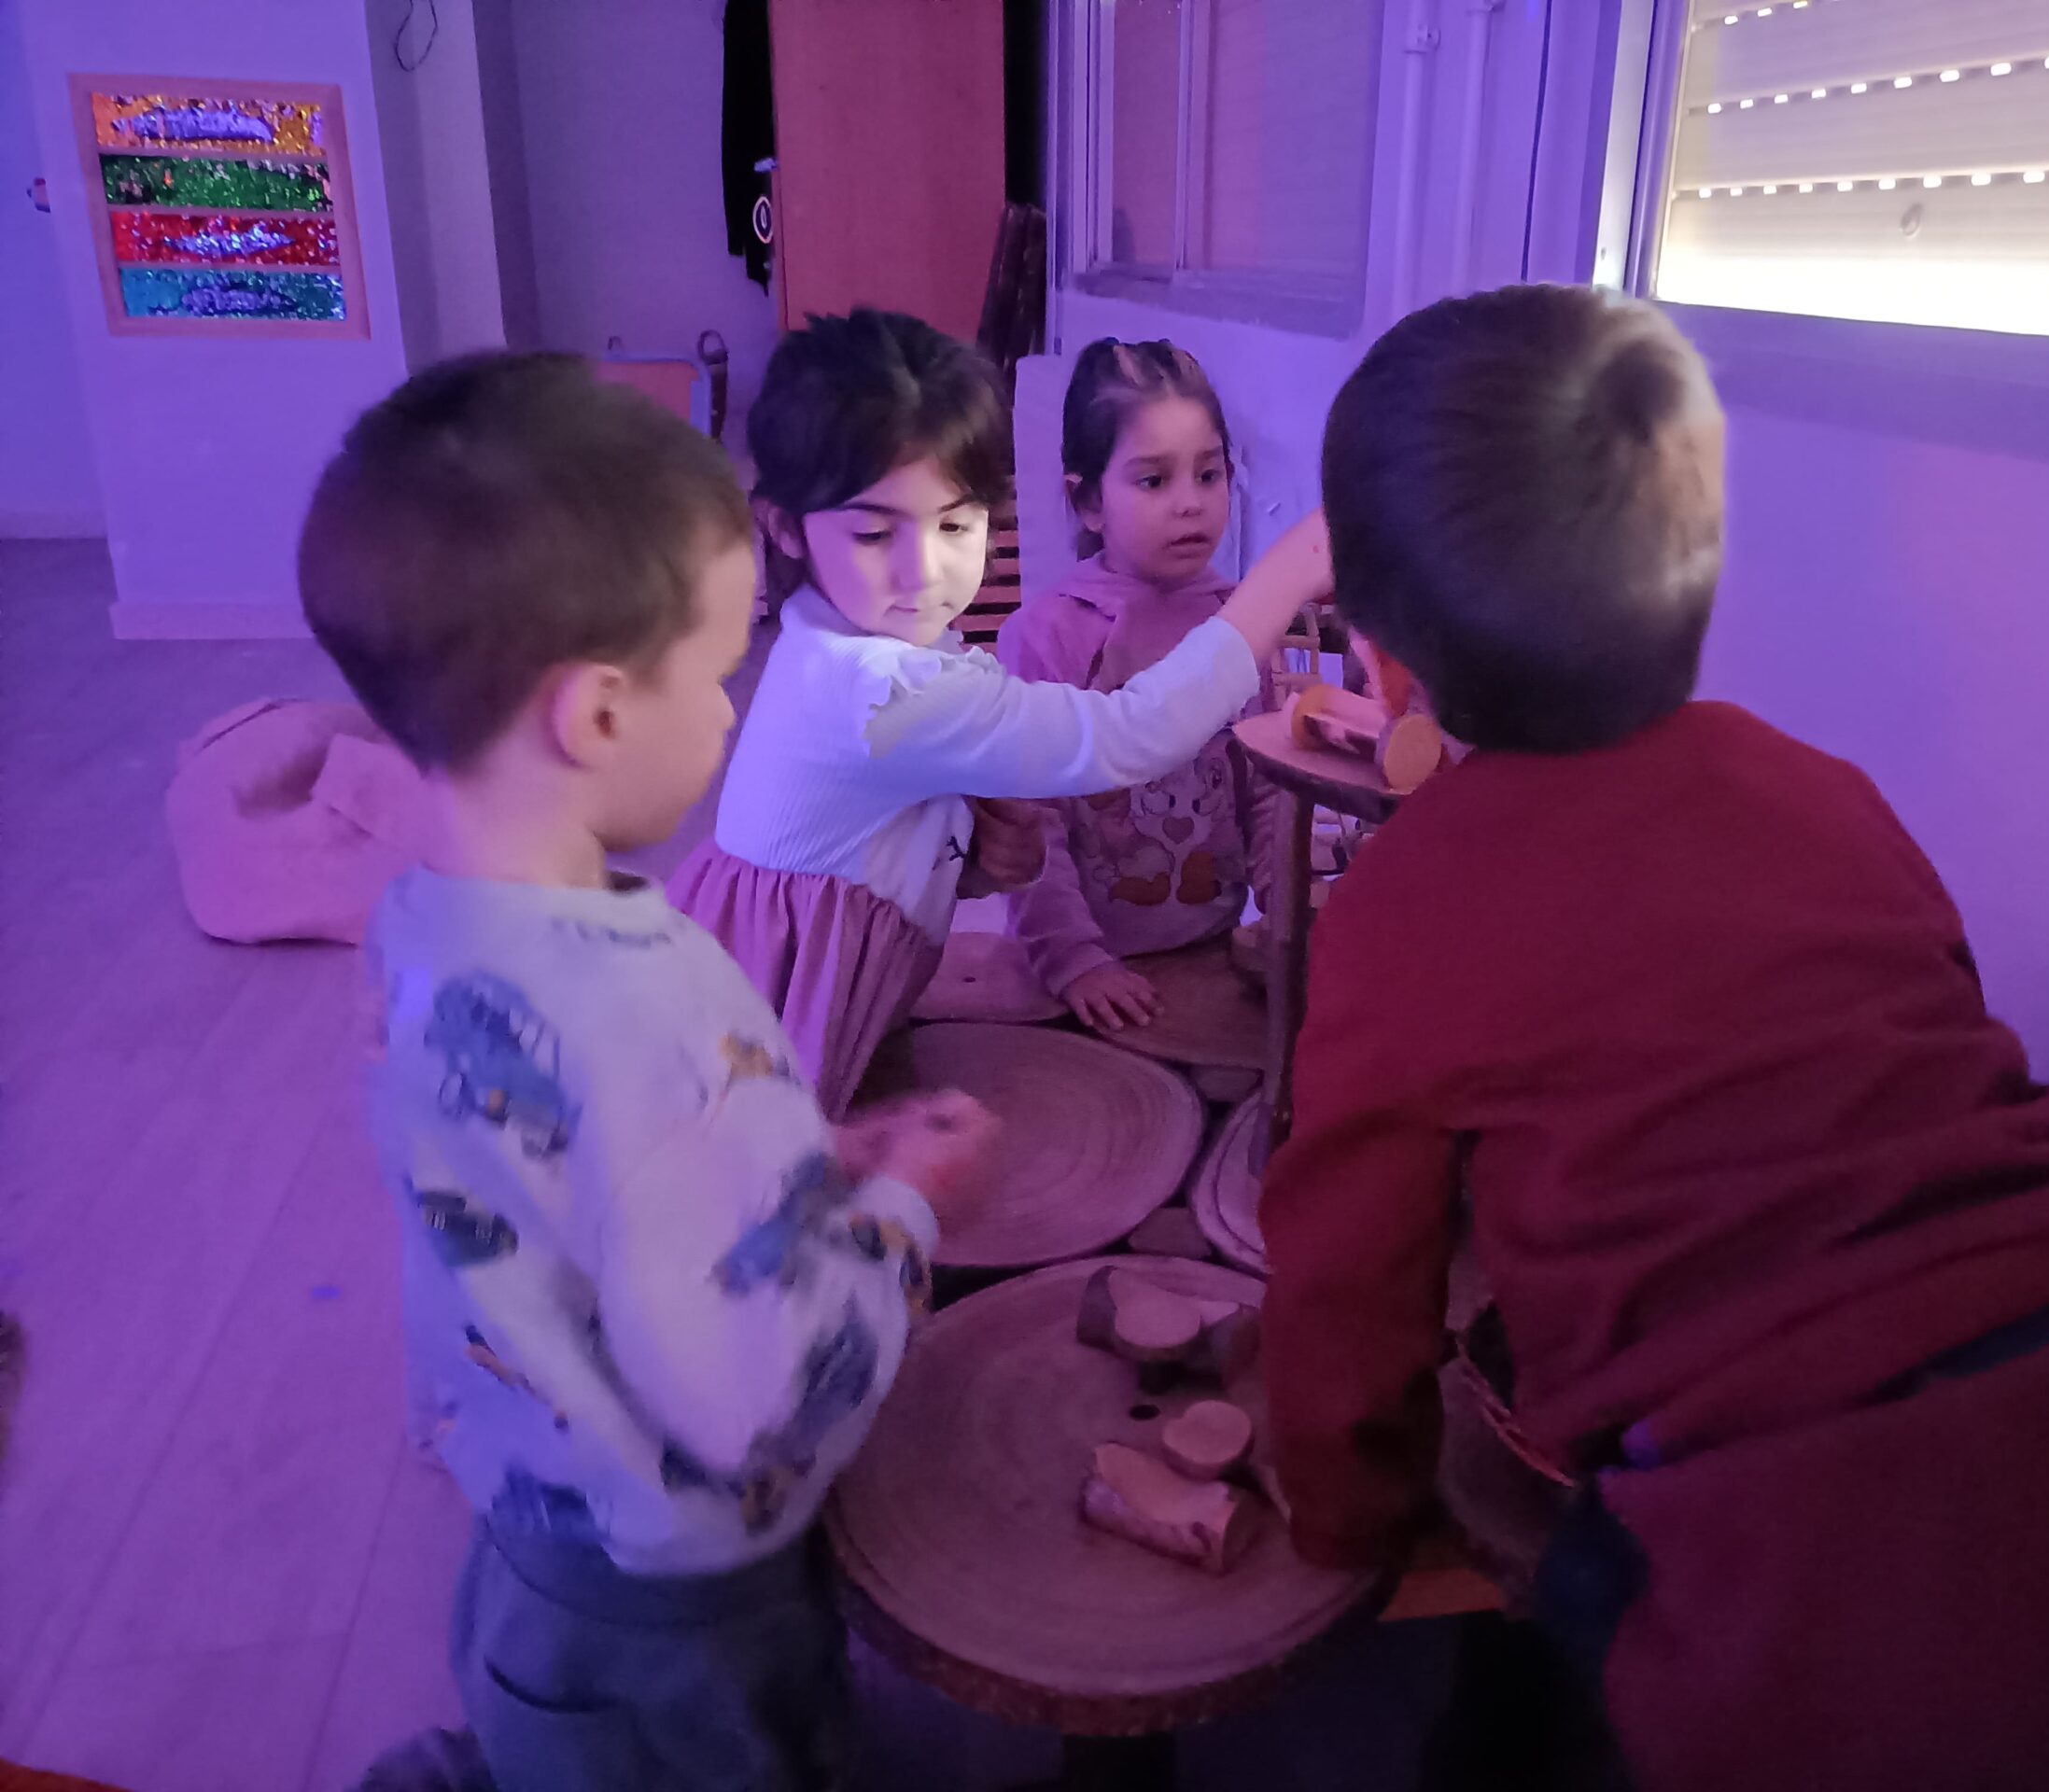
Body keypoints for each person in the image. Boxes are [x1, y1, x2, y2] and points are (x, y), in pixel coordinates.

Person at [1259, 285, 2049, 1791]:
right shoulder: (1825, 789)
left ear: (1381, 662)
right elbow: (1918, 1047)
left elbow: (1345, 1288)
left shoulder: (1406, 896)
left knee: (1529, 1702)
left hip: (1827, 1603)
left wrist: (1348, 1518)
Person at [300, 351, 995, 1791]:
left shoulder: (421, 925)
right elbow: (765, 1393)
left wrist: (806, 1160)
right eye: (720, 668)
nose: (735, 710)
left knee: (550, 1739)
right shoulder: (651, 1012)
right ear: (601, 716)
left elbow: (568, 1182)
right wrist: (909, 1208)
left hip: (531, 1529)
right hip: (686, 1600)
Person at [668, 311, 1332, 1110]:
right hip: (765, 1022)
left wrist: (970, 857)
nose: (924, 571)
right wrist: (1287, 575)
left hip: (803, 989)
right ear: (785, 527)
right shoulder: (881, 684)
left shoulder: (866, 645)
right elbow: (1131, 735)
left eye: (954, 523)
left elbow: (871, 843)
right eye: (875, 534)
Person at [994, 339, 1278, 1033]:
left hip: (1214, 951)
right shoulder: (1044, 637)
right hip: (1074, 978)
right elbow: (1029, 821)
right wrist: (1073, 959)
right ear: (1089, 501)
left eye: (1209, 475)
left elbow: (1271, 792)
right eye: (1154, 481)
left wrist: (1289, 913)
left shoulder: (1241, 623)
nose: (1190, 504)